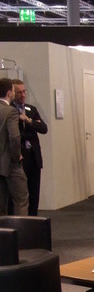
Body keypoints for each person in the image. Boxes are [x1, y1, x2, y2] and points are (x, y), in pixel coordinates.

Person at [11, 79, 48, 216]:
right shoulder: (9, 110)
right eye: (19, 92)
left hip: (34, 157)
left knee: (34, 194)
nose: (23, 95)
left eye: (24, 92)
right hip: (20, 157)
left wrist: (29, 120)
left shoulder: (31, 109)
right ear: (12, 93)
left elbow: (43, 128)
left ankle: (34, 221)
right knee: (20, 195)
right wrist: (31, 127)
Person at [0, 78, 28, 216]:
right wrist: (17, 157)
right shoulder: (10, 112)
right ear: (9, 93)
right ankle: (20, 229)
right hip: (10, 164)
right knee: (21, 201)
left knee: (1, 204)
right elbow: (14, 137)